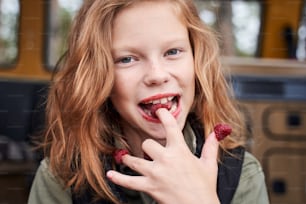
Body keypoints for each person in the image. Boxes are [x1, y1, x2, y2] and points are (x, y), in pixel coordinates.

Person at [28, 0, 269, 204]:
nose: (157, 75)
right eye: (128, 59)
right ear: (99, 77)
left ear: (197, 62)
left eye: (172, 52)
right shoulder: (61, 178)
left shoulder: (242, 175)